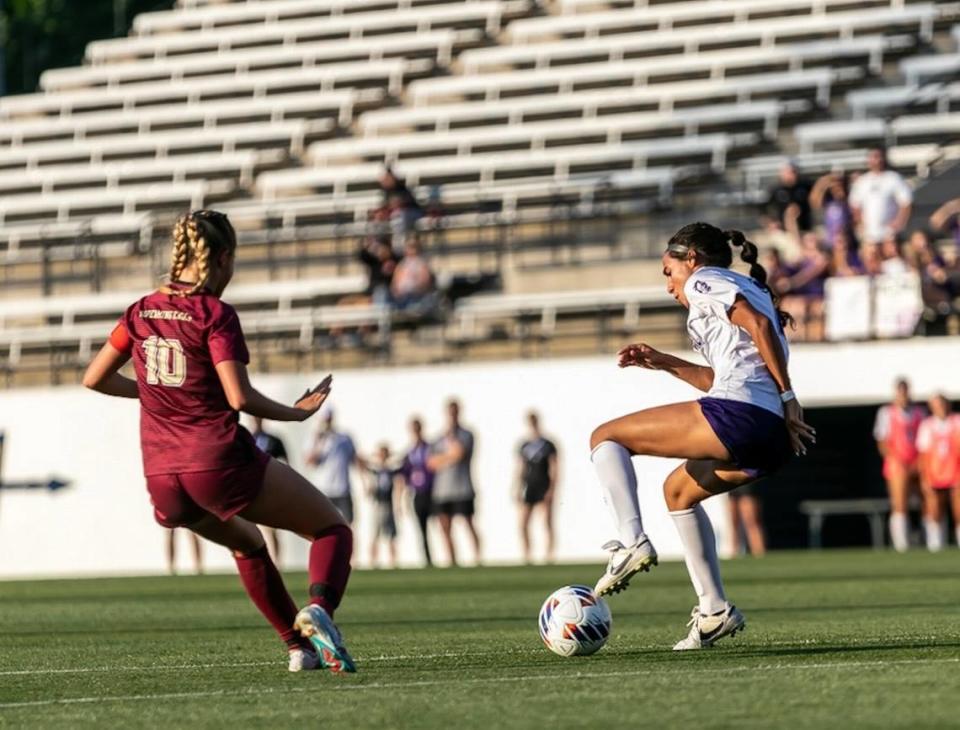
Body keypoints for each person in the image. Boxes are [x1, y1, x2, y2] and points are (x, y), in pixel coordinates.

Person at [81, 210, 355, 673]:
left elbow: (94, 378)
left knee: (248, 544)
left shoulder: (140, 309)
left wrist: (156, 390)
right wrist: (297, 411)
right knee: (331, 529)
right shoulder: (214, 313)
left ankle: (299, 649)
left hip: (163, 478)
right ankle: (319, 611)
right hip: (217, 462)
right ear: (222, 258)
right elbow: (238, 396)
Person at [588, 222, 814, 650]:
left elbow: (757, 330)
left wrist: (789, 396)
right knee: (678, 493)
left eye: (667, 271)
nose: (669, 283)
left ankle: (631, 544)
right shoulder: (744, 288)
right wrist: (665, 362)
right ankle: (714, 612)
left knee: (605, 438)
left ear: (690, 258)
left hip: (746, 414)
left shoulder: (704, 279)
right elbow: (722, 375)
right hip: (770, 437)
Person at [427, 399, 482, 566]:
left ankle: (477, 558)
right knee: (444, 526)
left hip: (462, 487)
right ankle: (452, 560)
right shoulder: (438, 438)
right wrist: (449, 456)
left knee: (468, 523)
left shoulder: (467, 434)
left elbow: (460, 453)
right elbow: (431, 463)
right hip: (442, 489)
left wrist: (447, 454)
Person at [873, 378, 926, 552]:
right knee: (900, 503)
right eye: (900, 391)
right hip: (897, 464)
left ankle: (927, 539)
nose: (903, 395)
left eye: (906, 391)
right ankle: (901, 544)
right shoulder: (886, 413)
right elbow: (882, 442)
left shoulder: (919, 412)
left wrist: (919, 461)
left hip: (918, 463)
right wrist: (897, 460)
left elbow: (924, 439)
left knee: (926, 501)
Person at [916, 394, 960, 551]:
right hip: (934, 473)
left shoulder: (957, 421)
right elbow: (922, 453)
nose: (940, 408)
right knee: (934, 510)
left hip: (956, 472)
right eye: (936, 405)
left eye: (942, 404)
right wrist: (924, 478)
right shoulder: (927, 425)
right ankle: (935, 545)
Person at [304, 410, 361, 524]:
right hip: (324, 490)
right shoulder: (315, 439)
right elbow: (309, 461)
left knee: (349, 525)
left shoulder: (344, 438)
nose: (327, 423)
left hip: (342, 490)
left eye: (328, 419)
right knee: (323, 524)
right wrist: (318, 441)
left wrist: (364, 481)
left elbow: (355, 459)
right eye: (325, 420)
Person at [516, 411, 559, 564]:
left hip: (544, 484)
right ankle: (527, 554)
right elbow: (520, 467)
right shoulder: (524, 445)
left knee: (547, 521)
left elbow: (554, 467)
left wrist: (552, 489)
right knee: (523, 523)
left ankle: (549, 555)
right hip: (530, 485)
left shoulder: (548, 444)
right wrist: (516, 487)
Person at [849, 146, 913, 245]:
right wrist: (860, 224)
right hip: (869, 235)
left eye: (879, 157)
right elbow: (855, 206)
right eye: (873, 157)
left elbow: (906, 202)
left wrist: (899, 222)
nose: (876, 160)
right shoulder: (861, 182)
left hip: (890, 235)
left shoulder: (894, 178)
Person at [250, 416, 288, 562]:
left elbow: (285, 463)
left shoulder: (273, 440)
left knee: (271, 528)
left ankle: (277, 561)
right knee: (253, 529)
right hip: (251, 489)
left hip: (270, 489)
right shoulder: (248, 438)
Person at [400, 417, 434, 567]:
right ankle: (428, 559)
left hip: (432, 492)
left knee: (441, 525)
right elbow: (404, 478)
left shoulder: (430, 448)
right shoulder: (409, 453)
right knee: (422, 529)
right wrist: (402, 499)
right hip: (418, 494)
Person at [365, 444, 401, 568]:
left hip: (389, 505)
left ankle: (393, 561)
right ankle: (373, 561)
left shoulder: (391, 471)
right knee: (375, 534)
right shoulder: (375, 471)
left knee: (391, 535)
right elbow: (362, 463)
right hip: (378, 505)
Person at [390, 236, 437, 315]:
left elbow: (425, 281)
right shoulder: (402, 264)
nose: (411, 249)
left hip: (417, 296)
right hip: (403, 297)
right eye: (409, 247)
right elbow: (395, 282)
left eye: (414, 247)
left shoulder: (422, 263)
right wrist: (397, 291)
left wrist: (415, 288)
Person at [766, 161, 812, 232]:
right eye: (789, 172)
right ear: (781, 174)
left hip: (805, 229)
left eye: (794, 172)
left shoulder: (805, 186)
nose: (792, 175)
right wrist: (772, 222)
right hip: (784, 231)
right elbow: (765, 209)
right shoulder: (776, 189)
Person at [727, 485, 766, 557]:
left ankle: (759, 553)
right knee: (734, 522)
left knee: (751, 521)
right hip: (732, 484)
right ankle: (734, 553)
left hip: (747, 483)